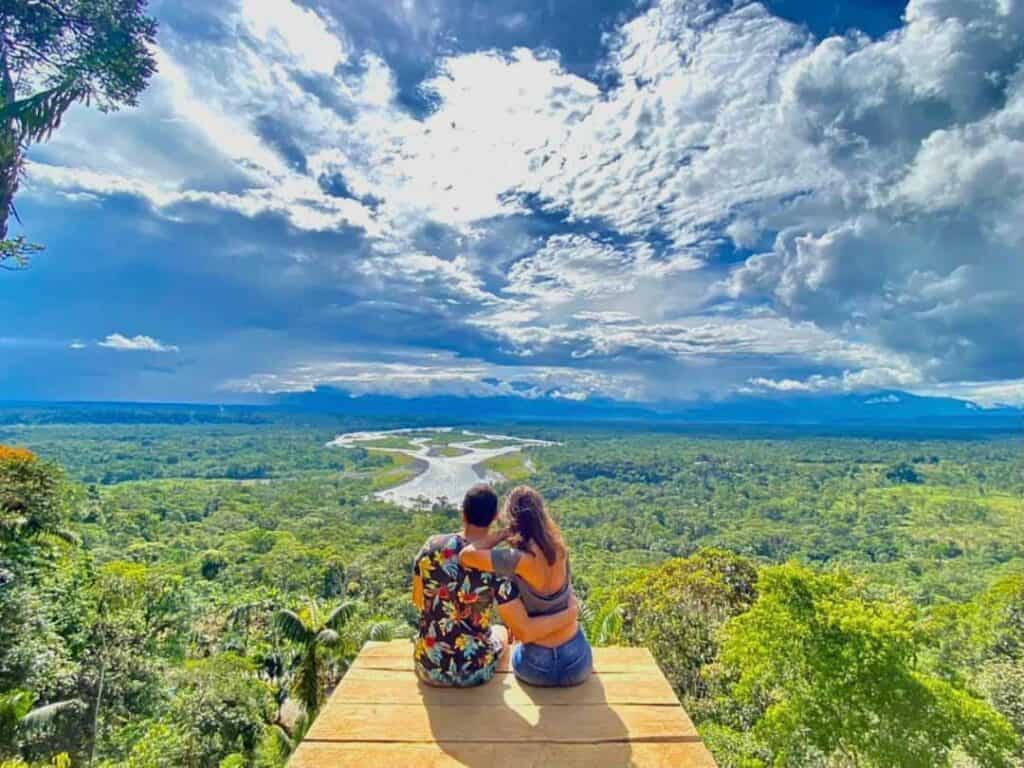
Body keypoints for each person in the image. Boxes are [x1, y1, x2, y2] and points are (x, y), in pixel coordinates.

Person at [411, 484, 578, 687]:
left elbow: (417, 600)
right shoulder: (498, 571)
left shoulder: (430, 546)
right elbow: (523, 629)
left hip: (427, 665)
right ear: (494, 518)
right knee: (501, 630)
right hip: (474, 672)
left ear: (462, 513)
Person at [460, 485, 592, 687]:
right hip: (576, 661)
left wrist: (503, 534)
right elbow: (569, 599)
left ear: (512, 519)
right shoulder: (559, 548)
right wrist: (570, 614)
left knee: (504, 642)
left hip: (536, 666)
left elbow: (467, 555)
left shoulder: (516, 559)